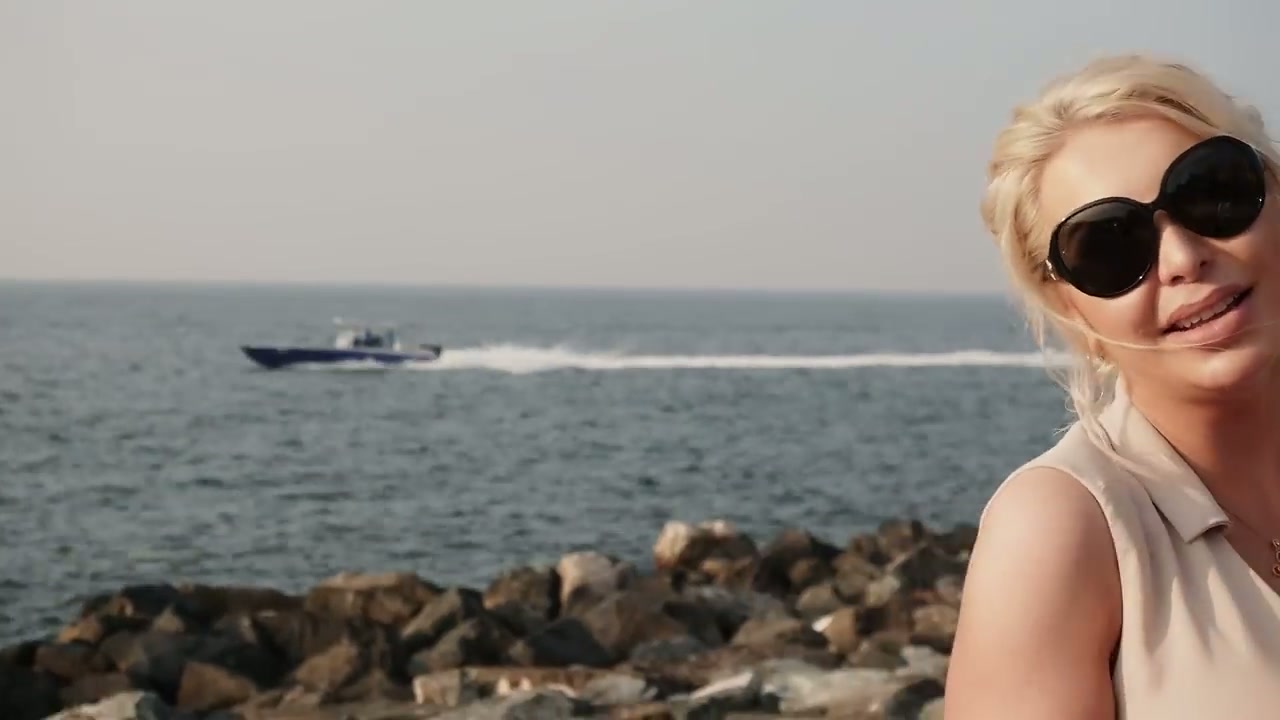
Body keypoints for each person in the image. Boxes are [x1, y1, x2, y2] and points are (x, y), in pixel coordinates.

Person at [945, 55, 1280, 718]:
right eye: (1108, 247)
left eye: (1214, 194)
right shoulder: (1062, 531)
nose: (1183, 258)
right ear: (1070, 310)